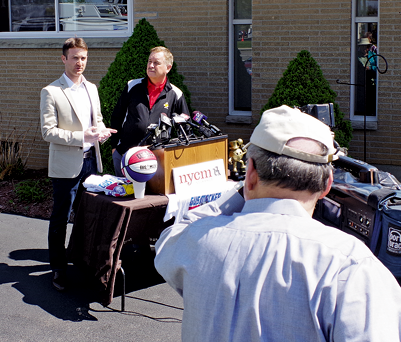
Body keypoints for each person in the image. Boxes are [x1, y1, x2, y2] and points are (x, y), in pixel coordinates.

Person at [154, 105, 401, 341]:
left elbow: (171, 238)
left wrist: (241, 191)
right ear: (327, 184)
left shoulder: (198, 239)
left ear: (250, 172)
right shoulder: (351, 265)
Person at [40, 37, 116, 291]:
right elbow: (48, 132)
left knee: (90, 217)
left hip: (91, 164)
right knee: (60, 218)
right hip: (65, 166)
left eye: (83, 58)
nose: (79, 62)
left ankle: (84, 263)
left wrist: (102, 132)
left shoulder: (91, 88)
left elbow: (99, 120)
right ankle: (58, 270)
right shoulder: (51, 91)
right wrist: (81, 137)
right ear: (64, 59)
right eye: (74, 58)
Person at [110, 46, 189, 177]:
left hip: (156, 160)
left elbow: (185, 128)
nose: (151, 65)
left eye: (156, 63)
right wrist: (114, 148)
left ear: (168, 68)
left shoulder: (176, 94)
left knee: (151, 198)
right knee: (124, 195)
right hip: (125, 155)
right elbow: (117, 116)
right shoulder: (132, 86)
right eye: (149, 61)